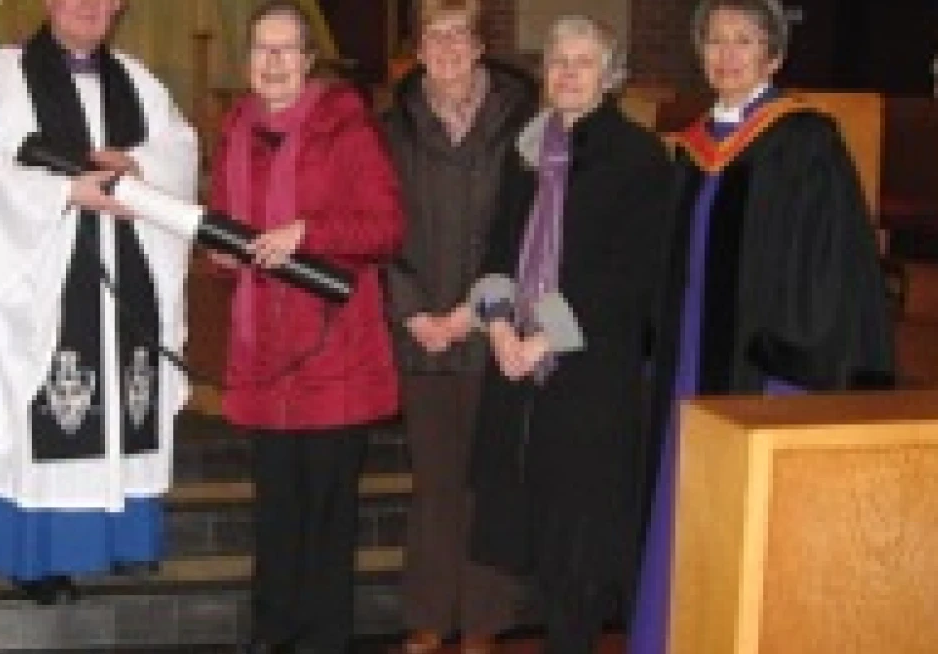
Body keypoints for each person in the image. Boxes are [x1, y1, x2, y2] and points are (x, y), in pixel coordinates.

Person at [628, 2, 897, 652]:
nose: (725, 54)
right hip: (690, 361)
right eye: (714, 41)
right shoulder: (692, 148)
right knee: (685, 499)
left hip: (766, 367)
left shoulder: (805, 140)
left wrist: (792, 356)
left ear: (773, 54)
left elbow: (833, 264)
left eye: (742, 41)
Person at [0, 0, 199, 604]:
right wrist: (67, 191)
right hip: (45, 280)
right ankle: (37, 557)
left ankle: (123, 542)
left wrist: (139, 164)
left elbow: (182, 149)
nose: (91, 5)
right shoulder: (5, 76)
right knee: (49, 407)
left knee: (125, 407)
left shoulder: (139, 80)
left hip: (127, 271)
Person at [466, 16, 674, 654]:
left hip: (588, 375)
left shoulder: (637, 156)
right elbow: (496, 246)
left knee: (579, 546)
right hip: (519, 373)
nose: (569, 73)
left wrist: (543, 338)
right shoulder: (526, 151)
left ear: (609, 76)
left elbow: (627, 275)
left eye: (584, 62)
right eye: (559, 61)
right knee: (533, 530)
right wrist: (498, 322)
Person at [210, 3, 404, 652]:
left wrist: (308, 234)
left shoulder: (346, 127)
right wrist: (220, 250)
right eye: (262, 50)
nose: (273, 62)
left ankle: (323, 639)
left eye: (286, 50)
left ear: (309, 60)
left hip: (334, 349)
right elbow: (226, 221)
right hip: (264, 351)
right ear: (247, 61)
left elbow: (385, 228)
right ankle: (272, 632)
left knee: (326, 515)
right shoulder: (234, 129)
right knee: (275, 512)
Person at [379, 1, 536, 651]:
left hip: (497, 329)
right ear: (417, 50)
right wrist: (413, 310)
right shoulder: (391, 127)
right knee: (433, 483)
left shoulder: (525, 124)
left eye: (458, 35)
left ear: (478, 46)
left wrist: (477, 312)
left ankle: (482, 623)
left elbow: (535, 230)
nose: (445, 47)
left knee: (488, 481)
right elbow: (378, 222)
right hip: (420, 330)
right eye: (433, 36)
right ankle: (428, 616)